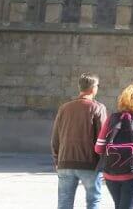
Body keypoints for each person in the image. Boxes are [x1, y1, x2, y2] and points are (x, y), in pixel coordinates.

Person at [94, 83, 133, 209]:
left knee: (120, 205)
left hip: (110, 173)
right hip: (132, 173)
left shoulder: (111, 119)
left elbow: (98, 148)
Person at [52, 72, 108, 209]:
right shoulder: (98, 108)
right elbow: (104, 139)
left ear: (80, 87)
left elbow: (55, 138)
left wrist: (57, 161)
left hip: (65, 162)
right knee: (93, 201)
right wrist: (105, 165)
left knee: (64, 203)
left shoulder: (64, 108)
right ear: (94, 87)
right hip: (90, 164)